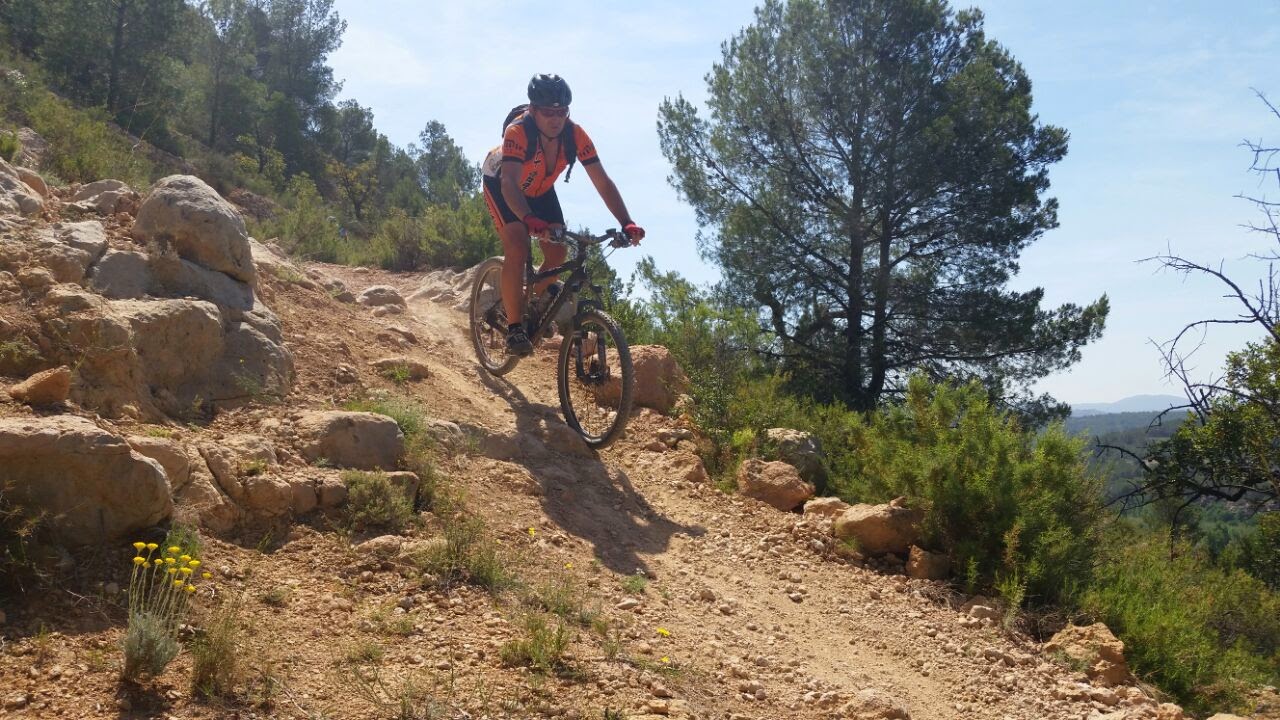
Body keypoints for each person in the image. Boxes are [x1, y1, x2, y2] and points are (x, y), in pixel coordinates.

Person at [481, 73, 645, 356]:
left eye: (562, 112)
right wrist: (528, 218)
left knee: (557, 254)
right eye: (548, 112)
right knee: (518, 245)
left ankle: (529, 304)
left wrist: (626, 222)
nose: (556, 119)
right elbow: (509, 184)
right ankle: (515, 328)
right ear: (533, 110)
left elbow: (602, 182)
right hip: (502, 183)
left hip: (540, 190)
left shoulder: (575, 135)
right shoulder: (518, 132)